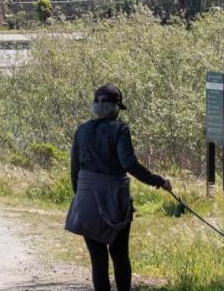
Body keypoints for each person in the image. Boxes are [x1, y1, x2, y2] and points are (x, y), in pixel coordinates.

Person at [64, 84, 171, 291]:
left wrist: (81, 199)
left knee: (98, 260)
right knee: (120, 255)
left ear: (95, 106)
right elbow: (129, 164)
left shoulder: (81, 131)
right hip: (114, 200)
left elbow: (74, 170)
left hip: (86, 199)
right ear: (115, 108)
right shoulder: (119, 129)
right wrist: (159, 181)